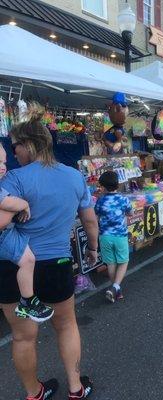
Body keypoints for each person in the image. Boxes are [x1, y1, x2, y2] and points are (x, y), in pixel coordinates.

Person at [0, 104, 99, 400]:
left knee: (22, 336)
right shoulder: (73, 177)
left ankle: (34, 393)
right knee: (66, 325)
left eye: (15, 146)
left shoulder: (12, 180)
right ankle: (75, 387)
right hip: (56, 263)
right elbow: (89, 220)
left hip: (13, 266)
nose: (14, 152)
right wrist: (93, 250)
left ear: (28, 145)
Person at [0, 144, 53, 323]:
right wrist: (24, 204)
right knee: (28, 261)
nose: (3, 166)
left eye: (4, 162)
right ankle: (27, 300)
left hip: (8, 234)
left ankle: (26, 300)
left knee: (28, 260)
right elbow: (7, 204)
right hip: (4, 237)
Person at [95, 171, 132, 303]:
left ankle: (116, 290)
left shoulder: (100, 200)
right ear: (118, 184)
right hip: (120, 235)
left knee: (111, 263)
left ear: (103, 187)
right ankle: (116, 287)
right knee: (123, 261)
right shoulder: (124, 199)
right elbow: (130, 213)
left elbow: (96, 216)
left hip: (104, 236)